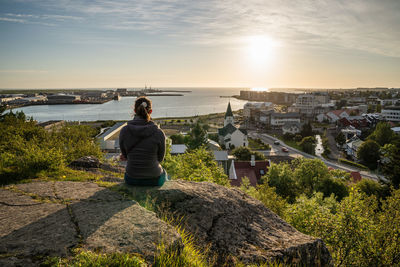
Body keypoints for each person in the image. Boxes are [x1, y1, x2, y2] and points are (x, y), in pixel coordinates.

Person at [119, 96, 167, 186]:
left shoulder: (124, 131)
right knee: (165, 173)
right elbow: (160, 159)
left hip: (131, 178)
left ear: (134, 111)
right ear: (150, 111)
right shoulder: (159, 133)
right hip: (153, 179)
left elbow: (125, 155)